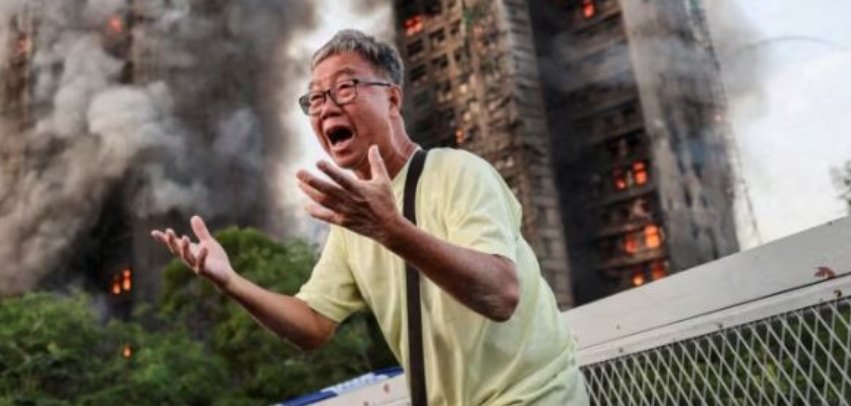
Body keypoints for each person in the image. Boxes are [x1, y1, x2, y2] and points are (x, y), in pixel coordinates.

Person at [152, 29, 588, 405]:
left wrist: (392, 230)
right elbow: (312, 325)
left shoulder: (459, 172)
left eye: (345, 88)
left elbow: (500, 293)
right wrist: (231, 282)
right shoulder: (354, 223)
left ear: (393, 98)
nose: (326, 108)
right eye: (316, 98)